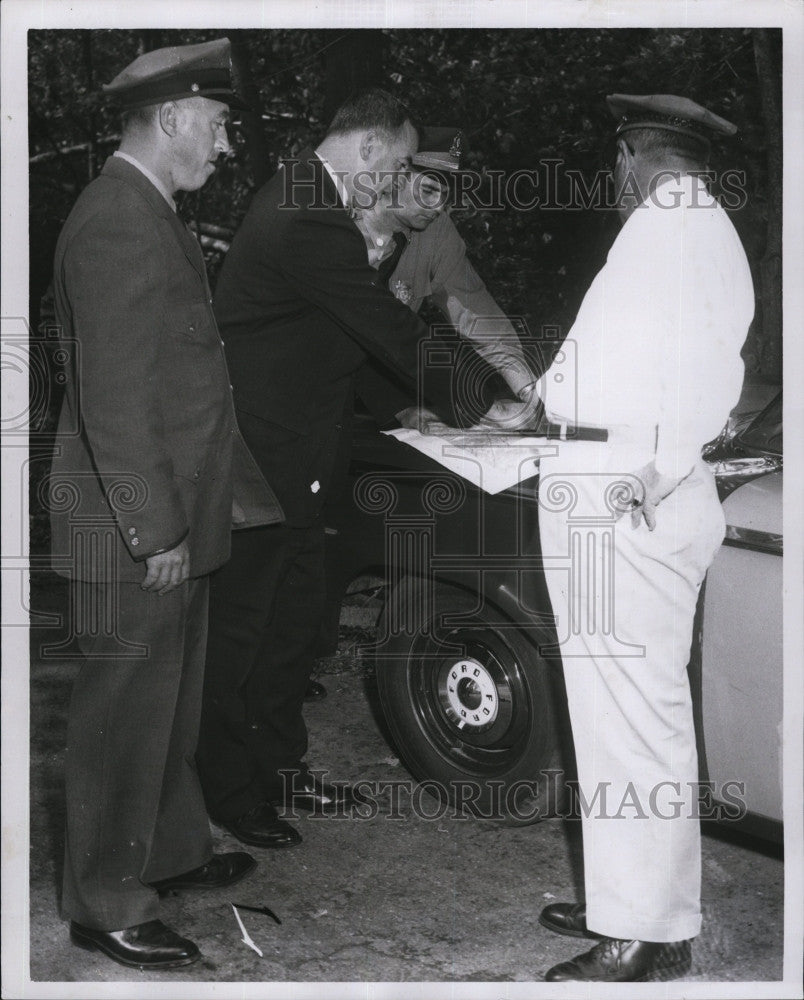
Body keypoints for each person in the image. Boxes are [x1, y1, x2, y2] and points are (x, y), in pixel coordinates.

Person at [196, 89, 541, 850]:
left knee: (290, 628)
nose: (399, 181)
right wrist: (482, 403)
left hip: (304, 451)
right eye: (398, 164)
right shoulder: (304, 214)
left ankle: (282, 770)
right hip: (259, 460)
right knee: (244, 632)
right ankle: (230, 791)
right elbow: (385, 326)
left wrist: (420, 409)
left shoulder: (317, 200)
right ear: (369, 150)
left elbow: (342, 340)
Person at [49, 39, 282, 970]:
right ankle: (103, 899)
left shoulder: (150, 211)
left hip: (171, 515)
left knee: (170, 709)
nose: (225, 146)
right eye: (219, 126)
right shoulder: (116, 220)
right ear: (174, 117)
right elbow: (112, 396)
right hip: (133, 524)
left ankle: (172, 852)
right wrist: (157, 529)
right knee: (120, 720)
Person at [535, 94, 754, 981]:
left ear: (629, 154)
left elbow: (706, 372)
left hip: (627, 493)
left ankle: (648, 933)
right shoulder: (690, 224)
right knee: (622, 711)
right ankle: (630, 904)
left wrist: (656, 470)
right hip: (620, 480)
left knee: (629, 715)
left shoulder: (673, 225)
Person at [354, 126, 538, 428]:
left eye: (446, 195)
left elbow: (478, 315)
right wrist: (399, 408)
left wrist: (530, 393)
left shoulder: (436, 231)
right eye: (428, 190)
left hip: (383, 386)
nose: (439, 206)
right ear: (395, 174)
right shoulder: (339, 224)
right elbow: (351, 328)